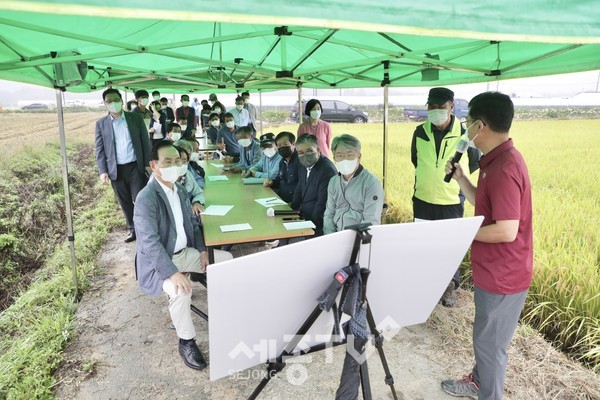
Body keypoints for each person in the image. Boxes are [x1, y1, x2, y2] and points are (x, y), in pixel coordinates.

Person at [441, 92, 532, 400]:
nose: (466, 129)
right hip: (494, 270)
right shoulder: (495, 161)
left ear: (480, 125)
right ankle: (478, 380)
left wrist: (463, 232)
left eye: (467, 123)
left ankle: (488, 392)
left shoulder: (505, 168)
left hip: (502, 276)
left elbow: (506, 230)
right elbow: (487, 206)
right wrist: (462, 180)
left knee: (490, 346)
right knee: (487, 340)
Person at [134, 141, 232, 371]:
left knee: (226, 263)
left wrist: (202, 251)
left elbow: (194, 224)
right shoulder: (146, 198)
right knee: (181, 290)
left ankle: (228, 313)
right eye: (167, 161)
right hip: (159, 263)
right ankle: (186, 341)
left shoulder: (180, 191)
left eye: (177, 161)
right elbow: (149, 243)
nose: (174, 165)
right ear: (153, 165)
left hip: (184, 253)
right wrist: (173, 273)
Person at [411, 87, 481, 307]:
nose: (435, 110)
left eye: (440, 106)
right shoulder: (420, 132)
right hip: (422, 198)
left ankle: (450, 286)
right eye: (431, 106)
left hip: (451, 200)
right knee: (423, 244)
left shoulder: (465, 134)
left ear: (451, 106)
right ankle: (425, 284)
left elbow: (474, 163)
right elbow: (416, 160)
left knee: (449, 246)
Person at [95, 88, 151, 242]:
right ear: (105, 104)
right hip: (116, 170)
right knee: (125, 202)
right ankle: (133, 229)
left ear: (121, 100)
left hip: (135, 166)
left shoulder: (134, 118)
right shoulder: (101, 124)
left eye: (116, 99)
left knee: (140, 199)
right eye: (109, 101)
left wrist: (147, 163)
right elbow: (99, 149)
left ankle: (145, 229)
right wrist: (102, 171)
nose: (113, 103)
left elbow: (145, 141)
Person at [323, 134, 384, 234]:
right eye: (339, 156)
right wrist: (329, 238)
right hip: (336, 236)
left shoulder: (371, 183)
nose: (344, 159)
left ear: (359, 156)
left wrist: (354, 243)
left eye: (349, 155)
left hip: (358, 238)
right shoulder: (333, 182)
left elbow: (371, 221)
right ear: (334, 158)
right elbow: (329, 214)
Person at [291, 134, 337, 236]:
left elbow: (323, 203)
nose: (305, 155)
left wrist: (310, 226)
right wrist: (291, 211)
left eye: (309, 151)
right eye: (301, 153)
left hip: (317, 224)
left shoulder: (327, 170)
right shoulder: (304, 164)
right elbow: (299, 188)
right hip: (304, 217)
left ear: (318, 150)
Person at [264, 131, 300, 203]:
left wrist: (294, 204)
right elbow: (279, 180)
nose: (282, 147)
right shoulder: (282, 162)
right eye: (279, 145)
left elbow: (303, 187)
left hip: (294, 204)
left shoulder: (300, 161)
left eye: (285, 144)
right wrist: (271, 182)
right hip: (281, 200)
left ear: (293, 144)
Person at [173, 142, 205, 214]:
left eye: (184, 161)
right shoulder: (166, 179)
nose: (181, 164)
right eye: (178, 161)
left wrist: (197, 202)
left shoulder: (187, 174)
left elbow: (198, 192)